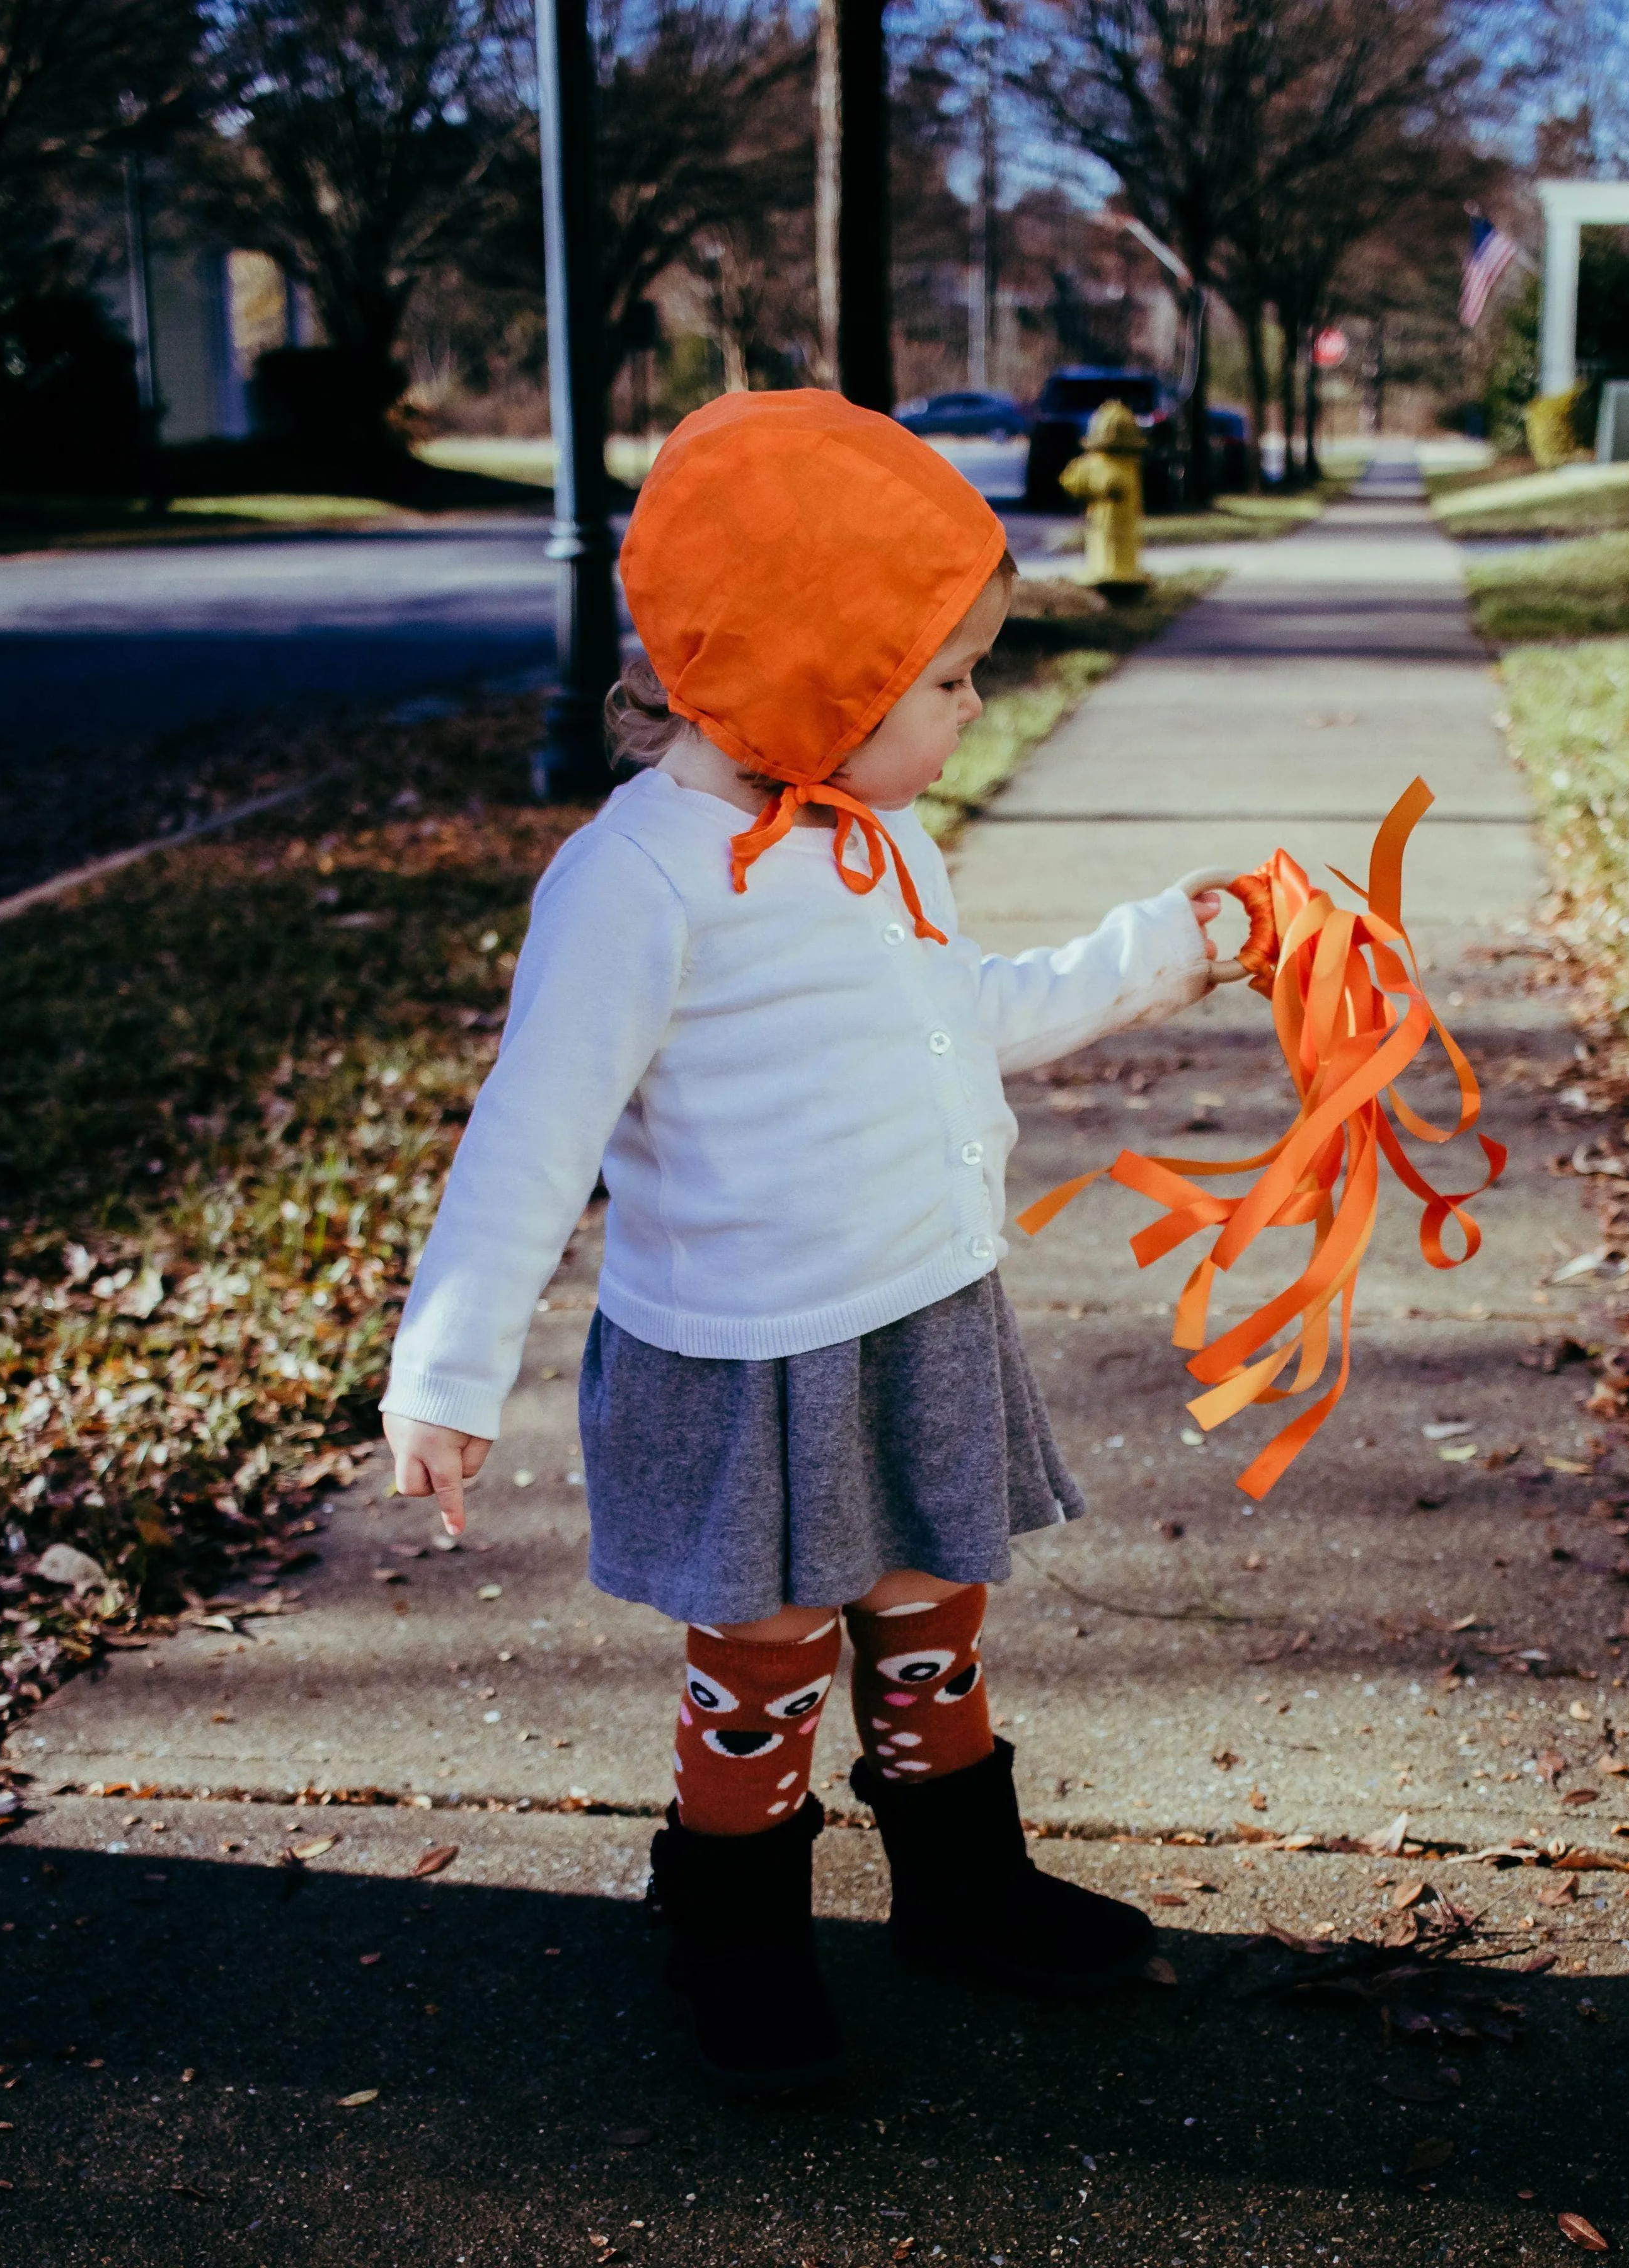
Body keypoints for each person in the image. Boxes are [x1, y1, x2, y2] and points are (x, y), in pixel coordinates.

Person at [380, 389, 1246, 2092]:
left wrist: (1173, 946)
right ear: (816, 690)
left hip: (920, 1308)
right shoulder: (637, 884)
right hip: (748, 1347)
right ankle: (735, 1926)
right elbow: (528, 1141)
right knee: (767, 1645)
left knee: (934, 1592)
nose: (972, 705)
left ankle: (959, 1884)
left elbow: (960, 1018)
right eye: (942, 680)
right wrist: (448, 1369)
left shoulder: (877, 834)